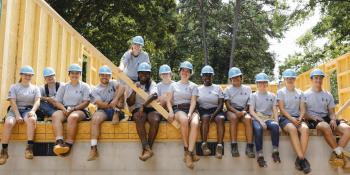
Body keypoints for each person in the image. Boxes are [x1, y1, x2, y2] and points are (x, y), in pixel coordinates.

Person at [303, 68, 350, 168]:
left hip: (326, 117)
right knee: (325, 126)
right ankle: (342, 157)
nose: (318, 80)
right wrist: (313, 117)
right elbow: (303, 113)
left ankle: (336, 155)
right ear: (311, 79)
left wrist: (333, 119)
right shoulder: (305, 95)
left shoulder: (328, 94)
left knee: (347, 129)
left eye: (320, 78)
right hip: (313, 119)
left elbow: (332, 113)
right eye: (316, 78)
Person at [0, 66, 41, 165]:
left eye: (30, 75)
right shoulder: (14, 87)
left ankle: (29, 148)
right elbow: (12, 102)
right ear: (21, 75)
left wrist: (33, 111)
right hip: (15, 110)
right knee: (9, 123)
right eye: (25, 74)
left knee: (31, 120)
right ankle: (4, 151)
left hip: (28, 110)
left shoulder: (35, 88)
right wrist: (17, 115)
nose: (28, 76)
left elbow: (37, 101)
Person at [51, 64, 91, 156]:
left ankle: (68, 144)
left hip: (80, 109)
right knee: (55, 115)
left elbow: (86, 102)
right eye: (72, 73)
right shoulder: (64, 86)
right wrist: (63, 109)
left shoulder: (85, 86)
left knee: (72, 117)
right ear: (69, 74)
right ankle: (59, 142)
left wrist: (74, 109)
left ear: (80, 74)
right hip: (65, 108)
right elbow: (57, 102)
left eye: (77, 73)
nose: (74, 75)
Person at [166, 61, 200, 169]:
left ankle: (189, 154)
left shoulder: (193, 86)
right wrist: (171, 111)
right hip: (178, 109)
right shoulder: (173, 85)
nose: (185, 72)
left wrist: (190, 113)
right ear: (180, 72)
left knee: (195, 122)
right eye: (183, 70)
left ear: (190, 73)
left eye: (187, 71)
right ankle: (187, 150)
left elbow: (194, 101)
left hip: (191, 108)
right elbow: (168, 101)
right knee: (184, 120)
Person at [87, 65, 125, 161]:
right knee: (95, 119)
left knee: (120, 90)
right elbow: (101, 104)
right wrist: (111, 104)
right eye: (102, 75)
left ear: (110, 76)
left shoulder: (113, 83)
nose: (105, 77)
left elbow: (122, 88)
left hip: (117, 107)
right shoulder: (95, 90)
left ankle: (117, 112)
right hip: (104, 110)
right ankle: (94, 148)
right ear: (99, 75)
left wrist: (115, 100)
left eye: (107, 75)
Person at [277, 69, 311, 173]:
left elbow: (302, 109)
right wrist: (292, 119)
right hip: (285, 118)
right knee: (292, 129)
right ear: (284, 79)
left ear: (295, 79)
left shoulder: (300, 92)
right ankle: (302, 159)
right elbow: (281, 109)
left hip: (297, 117)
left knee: (305, 129)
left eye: (292, 78)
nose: (290, 80)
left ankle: (299, 159)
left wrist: (300, 118)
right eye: (288, 78)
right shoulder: (281, 92)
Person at [127, 62, 160, 161]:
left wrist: (144, 105)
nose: (143, 75)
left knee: (155, 119)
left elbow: (154, 95)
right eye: (141, 73)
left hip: (150, 108)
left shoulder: (152, 84)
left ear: (149, 75)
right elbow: (129, 102)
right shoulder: (134, 84)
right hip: (138, 109)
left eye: (146, 73)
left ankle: (147, 149)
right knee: (138, 117)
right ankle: (146, 148)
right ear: (138, 74)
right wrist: (134, 90)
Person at [249, 72, 280, 167]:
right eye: (259, 82)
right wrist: (260, 121)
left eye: (264, 82)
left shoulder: (272, 96)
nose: (262, 84)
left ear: (267, 83)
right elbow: (251, 111)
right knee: (258, 130)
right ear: (256, 84)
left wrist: (277, 123)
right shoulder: (253, 95)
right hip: (257, 118)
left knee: (275, 127)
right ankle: (260, 156)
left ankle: (275, 151)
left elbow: (275, 110)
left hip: (268, 118)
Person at [224, 67, 255, 158]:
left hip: (244, 110)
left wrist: (244, 111)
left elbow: (249, 103)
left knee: (248, 119)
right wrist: (237, 112)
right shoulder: (228, 90)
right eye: (233, 78)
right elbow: (228, 105)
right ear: (230, 80)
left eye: (238, 77)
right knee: (233, 118)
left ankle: (249, 147)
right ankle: (234, 145)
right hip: (232, 110)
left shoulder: (247, 89)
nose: (236, 79)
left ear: (241, 77)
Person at [197, 65, 225, 159]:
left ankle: (219, 146)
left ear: (212, 76)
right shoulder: (198, 88)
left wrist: (214, 114)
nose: (207, 78)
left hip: (216, 109)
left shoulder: (218, 88)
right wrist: (197, 113)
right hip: (203, 110)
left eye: (209, 75)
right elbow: (196, 103)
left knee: (220, 119)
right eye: (205, 75)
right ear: (202, 77)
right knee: (205, 118)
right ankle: (204, 144)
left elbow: (221, 104)